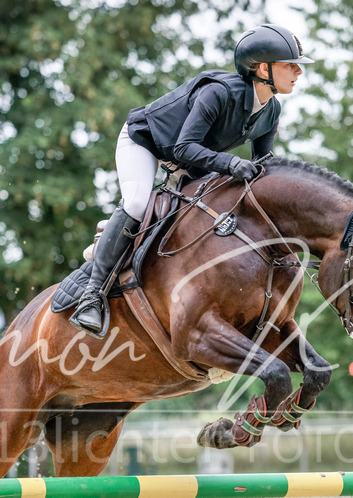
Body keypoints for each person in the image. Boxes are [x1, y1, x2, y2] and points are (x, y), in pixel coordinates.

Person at [68, 23, 314, 338]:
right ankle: (92, 295)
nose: (298, 71)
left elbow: (261, 165)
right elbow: (183, 146)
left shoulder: (271, 110)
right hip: (147, 142)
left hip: (191, 161)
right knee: (137, 203)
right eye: (290, 64)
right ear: (263, 68)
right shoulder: (219, 92)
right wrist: (231, 163)